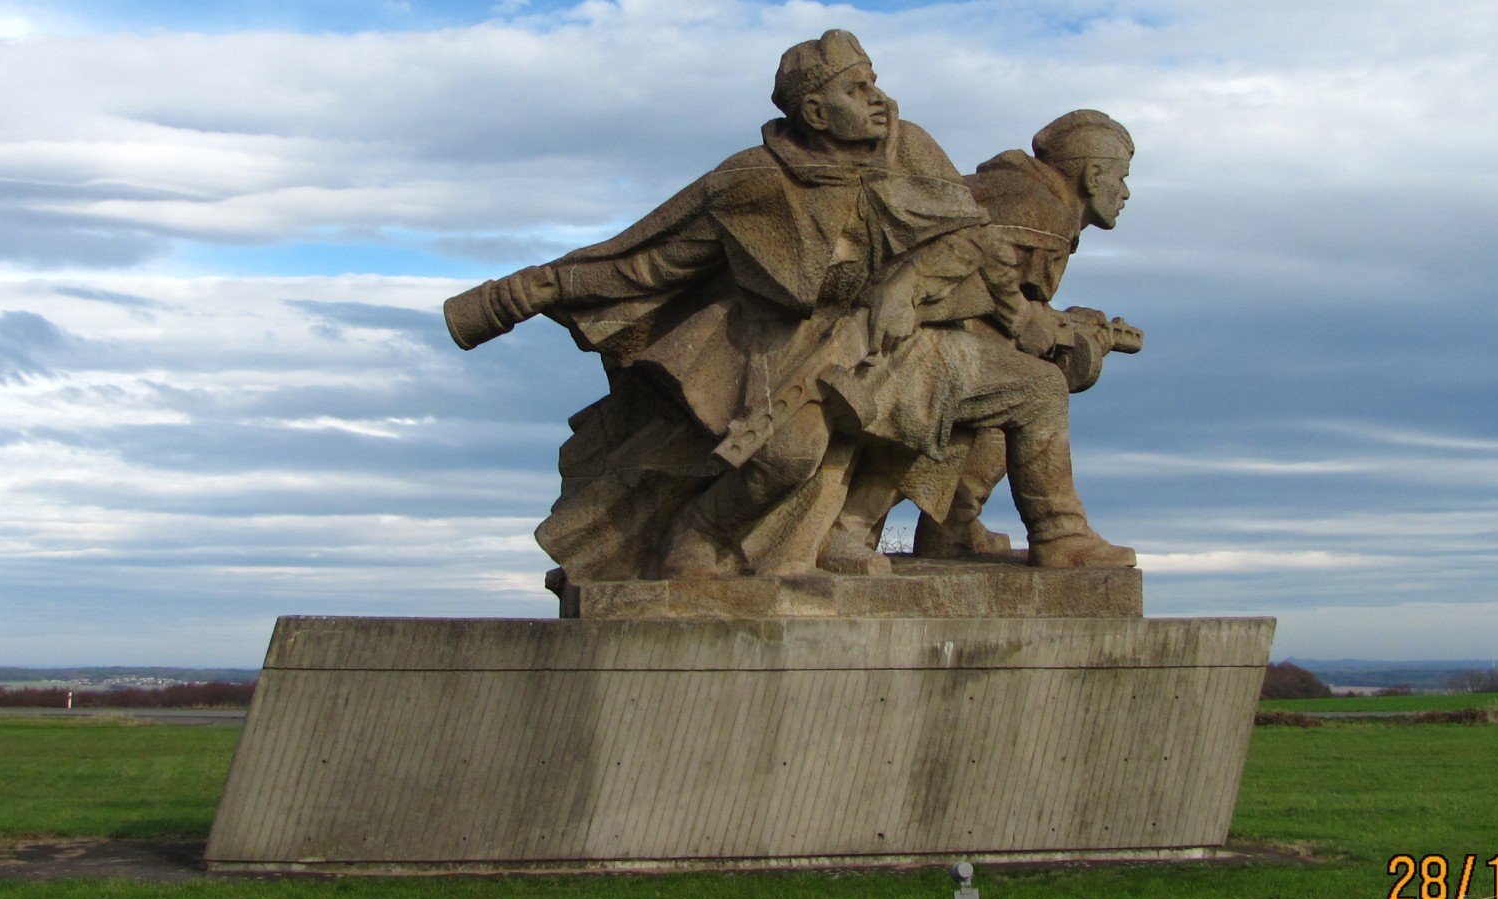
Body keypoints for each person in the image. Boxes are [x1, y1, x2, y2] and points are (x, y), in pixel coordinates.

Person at [445, 32, 1135, 582]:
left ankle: (1061, 535)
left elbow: (969, 237)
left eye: (873, 81)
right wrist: (526, 293)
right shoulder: (751, 181)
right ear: (812, 110)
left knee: (1037, 388)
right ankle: (699, 540)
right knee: (786, 458)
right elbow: (651, 259)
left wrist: (942, 298)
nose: (877, 98)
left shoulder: (910, 149)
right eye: (856, 88)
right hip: (789, 347)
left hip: (903, 341)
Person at [913, 110, 1140, 558]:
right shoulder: (1041, 210)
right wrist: (1047, 333)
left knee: (1006, 405)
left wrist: (1070, 325)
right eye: (1122, 177)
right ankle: (1061, 536)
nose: (1126, 192)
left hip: (929, 336)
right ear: (1094, 176)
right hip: (911, 342)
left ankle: (951, 525)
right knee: (1040, 390)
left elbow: (998, 298)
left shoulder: (1033, 196)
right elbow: (970, 287)